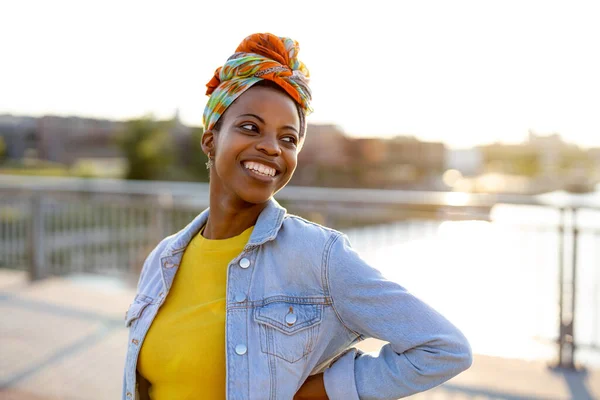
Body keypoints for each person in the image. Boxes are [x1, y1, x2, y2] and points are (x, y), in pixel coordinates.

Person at [122, 33, 472, 400]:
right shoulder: (163, 259)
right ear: (210, 139)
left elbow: (443, 348)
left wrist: (319, 392)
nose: (272, 147)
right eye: (250, 127)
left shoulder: (319, 256)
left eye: (288, 139)